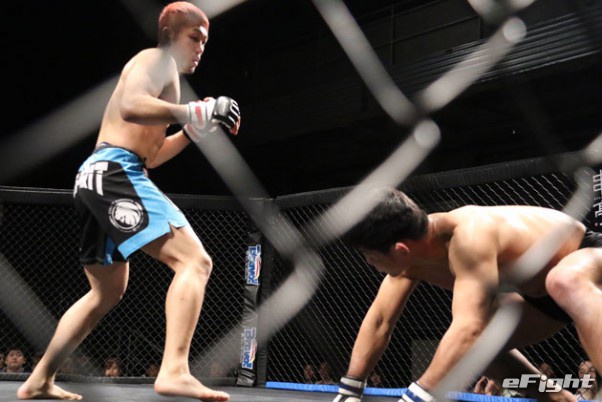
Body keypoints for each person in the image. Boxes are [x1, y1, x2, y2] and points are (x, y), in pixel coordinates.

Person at [17, 1, 240, 400]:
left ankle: (40, 379)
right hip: (115, 172)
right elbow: (130, 105)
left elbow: (150, 155)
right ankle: (174, 370)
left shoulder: (166, 83)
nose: (200, 47)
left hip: (96, 176)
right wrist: (193, 111)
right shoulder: (156, 60)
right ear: (169, 35)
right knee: (195, 261)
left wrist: (192, 131)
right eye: (194, 37)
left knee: (105, 292)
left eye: (205, 41)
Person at [332, 187, 602, 402]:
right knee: (475, 350)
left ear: (400, 249)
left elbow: (468, 326)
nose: (368, 263)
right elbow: (380, 320)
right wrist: (350, 389)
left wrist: (418, 396)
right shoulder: (411, 261)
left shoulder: (470, 235)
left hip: (590, 260)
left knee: (563, 279)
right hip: (541, 297)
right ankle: (558, 399)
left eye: (368, 255)